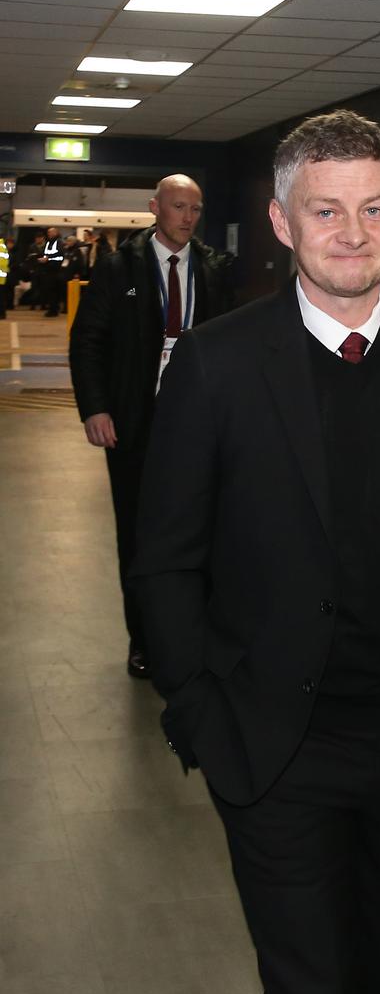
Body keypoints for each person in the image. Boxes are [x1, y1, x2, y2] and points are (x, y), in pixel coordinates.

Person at [131, 109, 380, 994]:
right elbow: (164, 558)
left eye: (373, 209)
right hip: (275, 745)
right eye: (325, 211)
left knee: (379, 974)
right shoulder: (217, 365)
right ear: (280, 222)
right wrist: (196, 708)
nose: (352, 234)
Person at [68, 175, 235, 680]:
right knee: (139, 538)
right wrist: (96, 408)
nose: (187, 217)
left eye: (195, 209)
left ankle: (195, 636)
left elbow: (231, 347)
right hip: (135, 424)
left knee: (201, 534)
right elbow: (88, 342)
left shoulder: (213, 269)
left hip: (197, 427)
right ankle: (143, 639)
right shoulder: (120, 269)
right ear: (155, 209)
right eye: (178, 207)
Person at [39, 226, 64, 315]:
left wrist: (48, 258)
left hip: (55, 270)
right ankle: (52, 308)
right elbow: (45, 253)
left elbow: (61, 255)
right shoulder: (48, 243)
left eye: (51, 232)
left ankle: (53, 310)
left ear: (56, 233)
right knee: (49, 291)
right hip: (47, 269)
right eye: (48, 232)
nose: (49, 234)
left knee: (53, 291)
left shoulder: (59, 242)